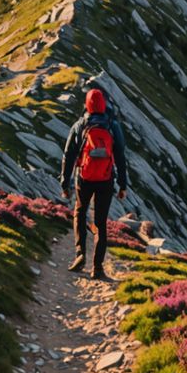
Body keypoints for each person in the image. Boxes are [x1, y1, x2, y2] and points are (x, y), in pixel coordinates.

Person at [61, 86, 128, 280]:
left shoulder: (80, 125)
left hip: (84, 178)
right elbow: (120, 156)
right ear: (103, 105)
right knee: (100, 222)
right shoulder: (112, 126)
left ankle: (80, 253)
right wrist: (123, 185)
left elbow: (68, 155)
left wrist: (65, 184)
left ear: (87, 105)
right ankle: (97, 267)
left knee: (80, 213)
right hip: (106, 179)